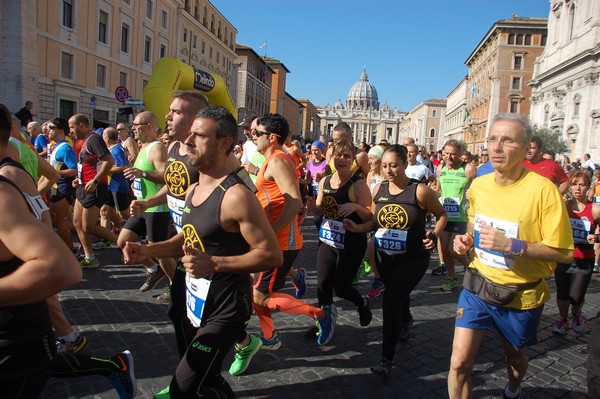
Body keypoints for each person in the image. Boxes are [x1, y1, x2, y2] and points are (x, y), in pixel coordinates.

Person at [123, 106, 282, 398]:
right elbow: (188, 237)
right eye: (189, 135)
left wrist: (215, 263)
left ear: (223, 144)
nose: (188, 142)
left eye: (199, 136)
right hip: (196, 298)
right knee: (205, 377)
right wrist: (148, 249)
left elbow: (271, 255)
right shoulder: (194, 187)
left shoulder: (237, 196)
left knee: (182, 388)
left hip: (227, 306)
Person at [0, 103, 135, 399]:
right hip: (53, 218)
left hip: (18, 322)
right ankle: (93, 254)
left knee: (85, 227)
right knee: (78, 226)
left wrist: (86, 181)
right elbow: (50, 174)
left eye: (69, 126)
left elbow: (101, 163)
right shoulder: (29, 152)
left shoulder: (18, 165)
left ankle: (125, 246)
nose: (53, 130)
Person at [450, 113, 574, 399]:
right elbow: (474, 224)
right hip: (478, 285)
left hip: (520, 294)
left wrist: (513, 246)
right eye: (493, 139)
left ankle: (514, 387)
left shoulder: (544, 191)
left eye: (507, 140)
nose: (496, 147)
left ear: (527, 146)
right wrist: (467, 239)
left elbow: (565, 253)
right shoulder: (479, 185)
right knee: (459, 364)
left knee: (515, 360)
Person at [229, 114, 331, 377]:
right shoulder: (271, 160)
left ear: (271, 137)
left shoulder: (278, 160)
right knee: (258, 292)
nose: (252, 136)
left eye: (257, 133)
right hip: (273, 237)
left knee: (259, 295)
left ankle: (318, 314)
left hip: (280, 241)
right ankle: (268, 335)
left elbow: (294, 202)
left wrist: (271, 234)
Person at [344, 144, 447, 376]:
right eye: (385, 165)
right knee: (398, 295)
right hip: (385, 256)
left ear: (403, 165)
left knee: (391, 302)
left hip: (413, 257)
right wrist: (358, 227)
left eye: (394, 165)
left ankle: (386, 359)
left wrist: (435, 235)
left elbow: (442, 214)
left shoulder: (419, 191)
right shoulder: (379, 188)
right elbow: (374, 221)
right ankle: (407, 320)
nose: (389, 170)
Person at [306, 139, 373, 342]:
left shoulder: (358, 184)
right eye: (338, 156)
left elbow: (371, 217)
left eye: (347, 156)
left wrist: (355, 208)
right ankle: (324, 321)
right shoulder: (325, 181)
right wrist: (312, 207)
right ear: (331, 158)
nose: (342, 160)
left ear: (353, 159)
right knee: (323, 284)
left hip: (352, 241)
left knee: (342, 287)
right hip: (328, 239)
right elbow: (320, 207)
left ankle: (362, 303)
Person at [119, 112, 175, 292]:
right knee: (123, 241)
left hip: (157, 208)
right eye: (132, 124)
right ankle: (153, 269)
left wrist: (142, 174)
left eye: (137, 124)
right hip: (142, 206)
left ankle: (176, 287)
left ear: (150, 126)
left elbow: (166, 177)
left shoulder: (157, 148)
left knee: (159, 251)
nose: (133, 128)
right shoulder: (142, 147)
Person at [552, 171, 600, 334]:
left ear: (588, 187)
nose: (577, 188)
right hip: (564, 257)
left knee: (576, 296)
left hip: (584, 259)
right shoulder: (563, 206)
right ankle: (563, 319)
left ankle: (577, 313)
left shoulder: (594, 209)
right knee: (562, 294)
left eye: (582, 184)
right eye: (574, 184)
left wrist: (597, 237)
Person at [69, 113, 117, 267]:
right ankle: (89, 257)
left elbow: (109, 161)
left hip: (94, 188)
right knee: (77, 223)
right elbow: (88, 164)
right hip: (84, 187)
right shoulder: (84, 141)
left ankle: (124, 241)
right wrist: (80, 179)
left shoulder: (94, 139)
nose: (70, 131)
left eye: (72, 127)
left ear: (81, 125)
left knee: (89, 226)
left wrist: (95, 180)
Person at [433, 140, 477, 292]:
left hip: (462, 217)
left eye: (453, 154)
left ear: (459, 154)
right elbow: (438, 189)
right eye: (446, 153)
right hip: (445, 216)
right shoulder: (440, 169)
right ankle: (452, 278)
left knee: (453, 250)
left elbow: (480, 188)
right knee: (444, 251)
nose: (449, 157)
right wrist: (432, 193)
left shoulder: (468, 169)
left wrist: (472, 194)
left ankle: (473, 269)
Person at [47, 118, 78, 252]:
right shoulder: (56, 145)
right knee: (55, 220)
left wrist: (54, 172)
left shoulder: (65, 147)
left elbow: (74, 170)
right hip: (56, 187)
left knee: (59, 221)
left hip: (64, 188)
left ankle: (71, 250)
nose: (48, 131)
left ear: (60, 131)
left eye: (51, 128)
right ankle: (81, 234)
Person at [363, 145, 386, 297]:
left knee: (375, 251)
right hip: (371, 216)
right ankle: (379, 278)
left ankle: (381, 279)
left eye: (372, 158)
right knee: (370, 251)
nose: (369, 161)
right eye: (368, 158)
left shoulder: (387, 176)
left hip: (383, 218)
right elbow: (367, 195)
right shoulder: (370, 174)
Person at [99, 127, 131, 236]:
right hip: (109, 186)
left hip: (118, 186)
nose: (102, 139)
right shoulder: (112, 149)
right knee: (104, 211)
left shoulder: (117, 149)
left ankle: (140, 228)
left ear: (107, 138)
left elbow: (122, 167)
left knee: (123, 213)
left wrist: (104, 169)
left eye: (103, 137)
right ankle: (106, 237)